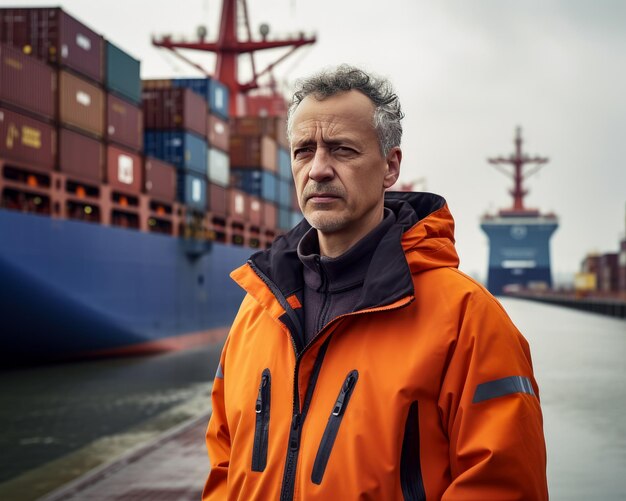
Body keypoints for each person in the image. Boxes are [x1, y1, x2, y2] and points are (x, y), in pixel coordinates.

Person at [203, 65, 548, 500]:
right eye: (303, 151)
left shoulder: (467, 320)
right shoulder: (255, 310)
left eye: (342, 150)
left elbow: (504, 487)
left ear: (390, 166)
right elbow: (222, 461)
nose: (319, 170)